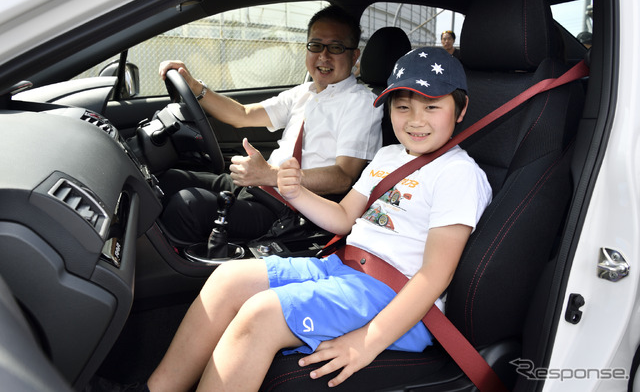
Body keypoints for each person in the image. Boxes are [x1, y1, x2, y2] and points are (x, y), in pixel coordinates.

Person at [146, 47, 492, 391]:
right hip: (343, 268)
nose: (416, 120)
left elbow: (435, 274)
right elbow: (344, 218)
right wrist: (296, 191)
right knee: (228, 280)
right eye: (402, 107)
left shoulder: (458, 173)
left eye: (432, 106)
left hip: (393, 297)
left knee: (261, 315)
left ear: (460, 110)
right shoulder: (388, 156)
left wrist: (366, 342)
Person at [158, 5, 382, 243]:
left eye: (335, 47)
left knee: (188, 206)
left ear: (354, 55)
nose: (323, 56)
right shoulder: (304, 93)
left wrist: (271, 175)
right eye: (315, 46)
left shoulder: (362, 103)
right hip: (260, 187)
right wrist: (195, 88)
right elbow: (243, 114)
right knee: (168, 179)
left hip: (291, 209)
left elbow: (343, 176)